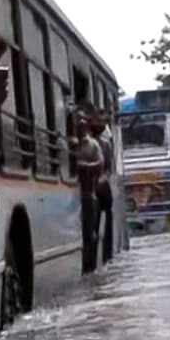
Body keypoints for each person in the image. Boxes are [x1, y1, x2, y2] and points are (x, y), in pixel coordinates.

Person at [71, 107, 105, 273]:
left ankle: (90, 268)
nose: (81, 125)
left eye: (83, 122)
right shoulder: (70, 143)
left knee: (89, 233)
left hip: (87, 194)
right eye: (78, 122)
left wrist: (84, 166)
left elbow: (100, 164)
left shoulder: (93, 144)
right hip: (70, 195)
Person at [90, 109, 115, 264]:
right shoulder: (85, 141)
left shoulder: (105, 144)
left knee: (107, 218)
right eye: (98, 121)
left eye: (103, 122)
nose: (100, 124)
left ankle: (107, 255)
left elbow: (109, 168)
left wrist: (101, 180)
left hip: (102, 188)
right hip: (88, 188)